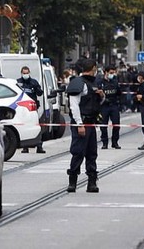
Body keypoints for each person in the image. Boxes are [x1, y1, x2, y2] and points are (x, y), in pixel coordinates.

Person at [65, 58, 104, 193]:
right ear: (93, 68)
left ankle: (92, 182)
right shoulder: (77, 83)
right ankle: (73, 181)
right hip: (81, 123)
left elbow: (96, 103)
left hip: (91, 123)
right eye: (95, 69)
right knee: (78, 152)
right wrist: (79, 124)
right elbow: (74, 106)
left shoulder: (94, 84)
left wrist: (101, 95)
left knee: (92, 153)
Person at [18, 66, 46, 154]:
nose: (25, 75)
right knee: (25, 127)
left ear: (29, 73)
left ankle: (39, 146)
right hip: (22, 108)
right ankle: (25, 147)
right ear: (21, 73)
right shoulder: (18, 82)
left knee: (36, 126)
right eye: (24, 73)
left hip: (32, 107)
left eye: (26, 73)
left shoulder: (33, 82)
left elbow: (40, 93)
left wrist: (36, 88)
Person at [96, 65, 121, 149]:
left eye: (113, 73)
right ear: (105, 72)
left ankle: (115, 142)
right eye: (111, 73)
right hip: (104, 106)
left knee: (116, 124)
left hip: (114, 105)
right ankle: (104, 142)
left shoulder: (115, 81)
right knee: (103, 125)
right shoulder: (99, 82)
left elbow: (119, 93)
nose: (112, 74)